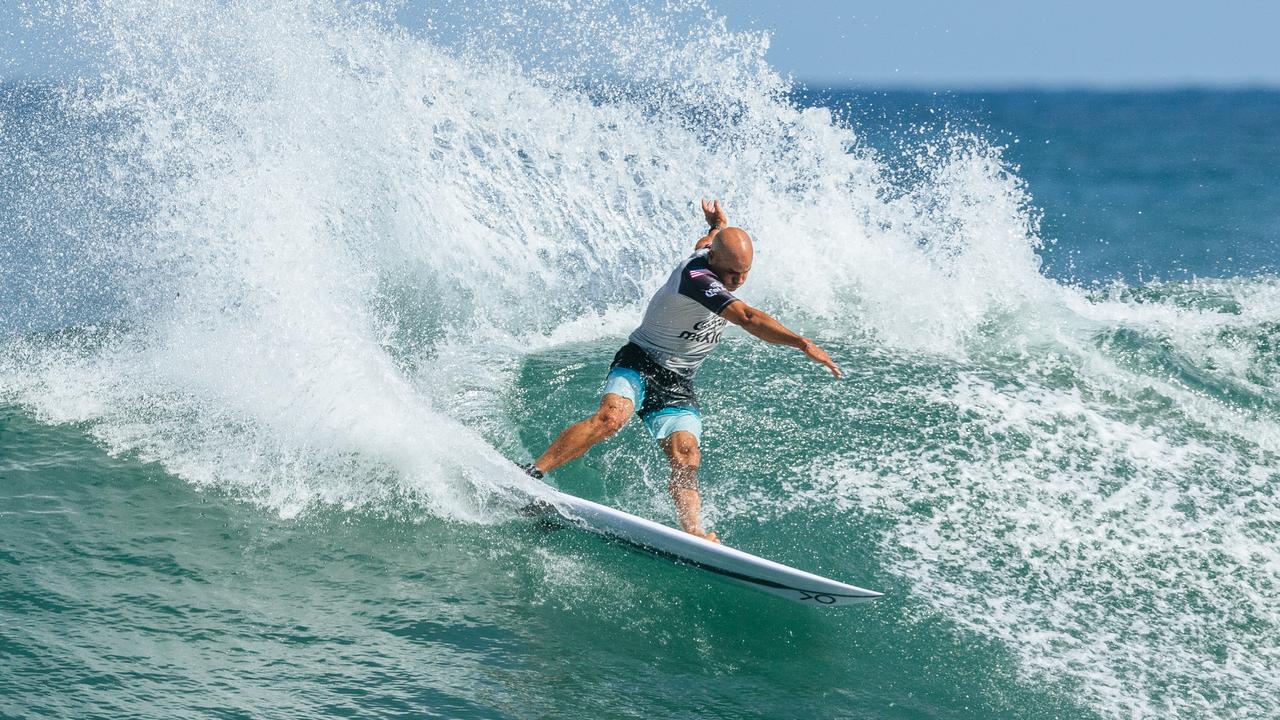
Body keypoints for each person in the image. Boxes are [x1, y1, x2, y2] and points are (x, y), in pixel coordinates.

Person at [524, 199, 842, 542]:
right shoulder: (696, 276)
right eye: (732, 272)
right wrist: (802, 343)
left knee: (687, 453)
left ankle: (694, 532)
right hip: (640, 360)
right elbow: (748, 318)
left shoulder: (713, 254)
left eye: (745, 272)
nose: (738, 280)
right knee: (611, 419)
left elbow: (707, 243)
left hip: (679, 381)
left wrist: (716, 226)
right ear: (716, 262)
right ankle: (531, 475)